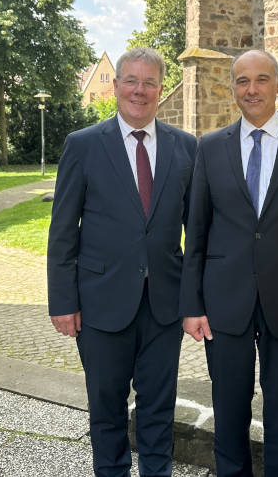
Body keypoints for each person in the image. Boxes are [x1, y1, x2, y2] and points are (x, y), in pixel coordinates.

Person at [180, 49, 278, 477]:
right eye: (242, 81)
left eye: (261, 79)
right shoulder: (209, 147)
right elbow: (196, 234)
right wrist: (192, 305)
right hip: (224, 302)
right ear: (232, 88)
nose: (252, 89)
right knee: (228, 410)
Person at [47, 47, 196, 477]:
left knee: (158, 407)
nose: (139, 90)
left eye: (149, 82)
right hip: (100, 303)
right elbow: (62, 233)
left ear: (161, 89)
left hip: (164, 305)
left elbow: (197, 232)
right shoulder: (83, 146)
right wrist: (62, 301)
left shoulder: (186, 148)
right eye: (131, 80)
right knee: (107, 407)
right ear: (115, 86)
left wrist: (194, 300)